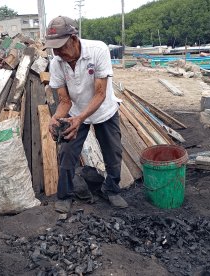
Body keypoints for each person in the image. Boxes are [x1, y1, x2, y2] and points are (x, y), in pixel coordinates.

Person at [45, 16, 128, 213]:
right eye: (54, 48)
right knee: (66, 153)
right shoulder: (57, 62)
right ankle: (65, 196)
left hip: (104, 110)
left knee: (113, 153)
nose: (57, 52)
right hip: (75, 113)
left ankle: (112, 190)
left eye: (61, 46)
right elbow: (64, 101)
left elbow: (100, 93)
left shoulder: (98, 50)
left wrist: (80, 118)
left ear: (73, 39)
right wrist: (56, 118)